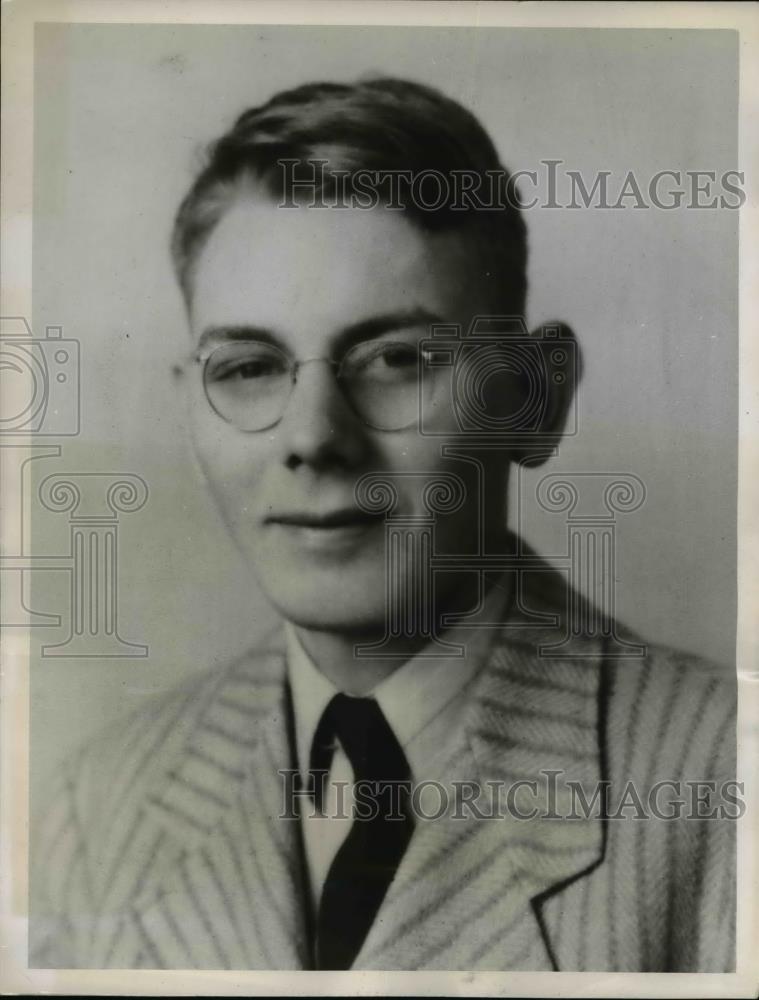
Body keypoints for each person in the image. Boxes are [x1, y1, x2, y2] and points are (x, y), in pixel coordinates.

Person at [30, 77, 736, 972]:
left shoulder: (719, 787)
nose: (313, 437)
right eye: (249, 368)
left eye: (396, 358)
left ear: (531, 397)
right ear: (190, 408)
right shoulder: (95, 816)